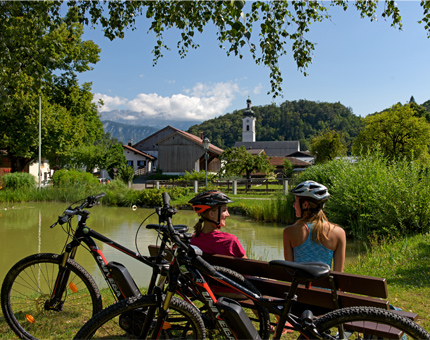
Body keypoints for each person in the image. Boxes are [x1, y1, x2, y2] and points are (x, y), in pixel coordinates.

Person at [283, 180, 346, 272]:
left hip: (299, 286)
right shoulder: (339, 233)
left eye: (296, 201)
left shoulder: (289, 232)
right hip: (326, 286)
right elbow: (339, 274)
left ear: (305, 205)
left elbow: (290, 273)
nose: (293, 205)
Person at [188, 190, 246, 258]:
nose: (228, 214)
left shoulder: (192, 240)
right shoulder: (230, 241)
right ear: (211, 214)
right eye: (224, 210)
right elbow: (248, 266)